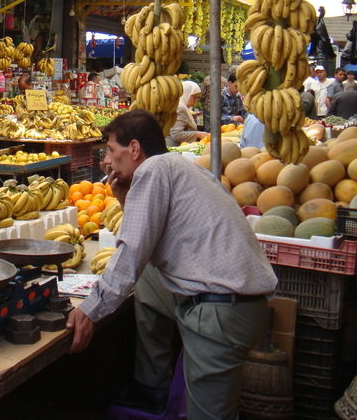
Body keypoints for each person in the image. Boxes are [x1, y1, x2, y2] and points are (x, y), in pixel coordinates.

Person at [67, 110, 277, 420]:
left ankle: (154, 388)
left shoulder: (153, 170)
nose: (107, 161)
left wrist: (90, 310)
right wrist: (125, 195)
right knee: (149, 280)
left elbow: (133, 250)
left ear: (134, 148)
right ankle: (151, 387)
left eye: (111, 150)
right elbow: (149, 238)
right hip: (232, 304)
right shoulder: (176, 166)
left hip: (222, 313)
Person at [167, 80, 207, 147]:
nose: (195, 102)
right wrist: (198, 134)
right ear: (186, 93)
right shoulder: (180, 107)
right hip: (175, 147)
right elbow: (176, 134)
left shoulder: (182, 106)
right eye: (194, 97)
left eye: (197, 98)